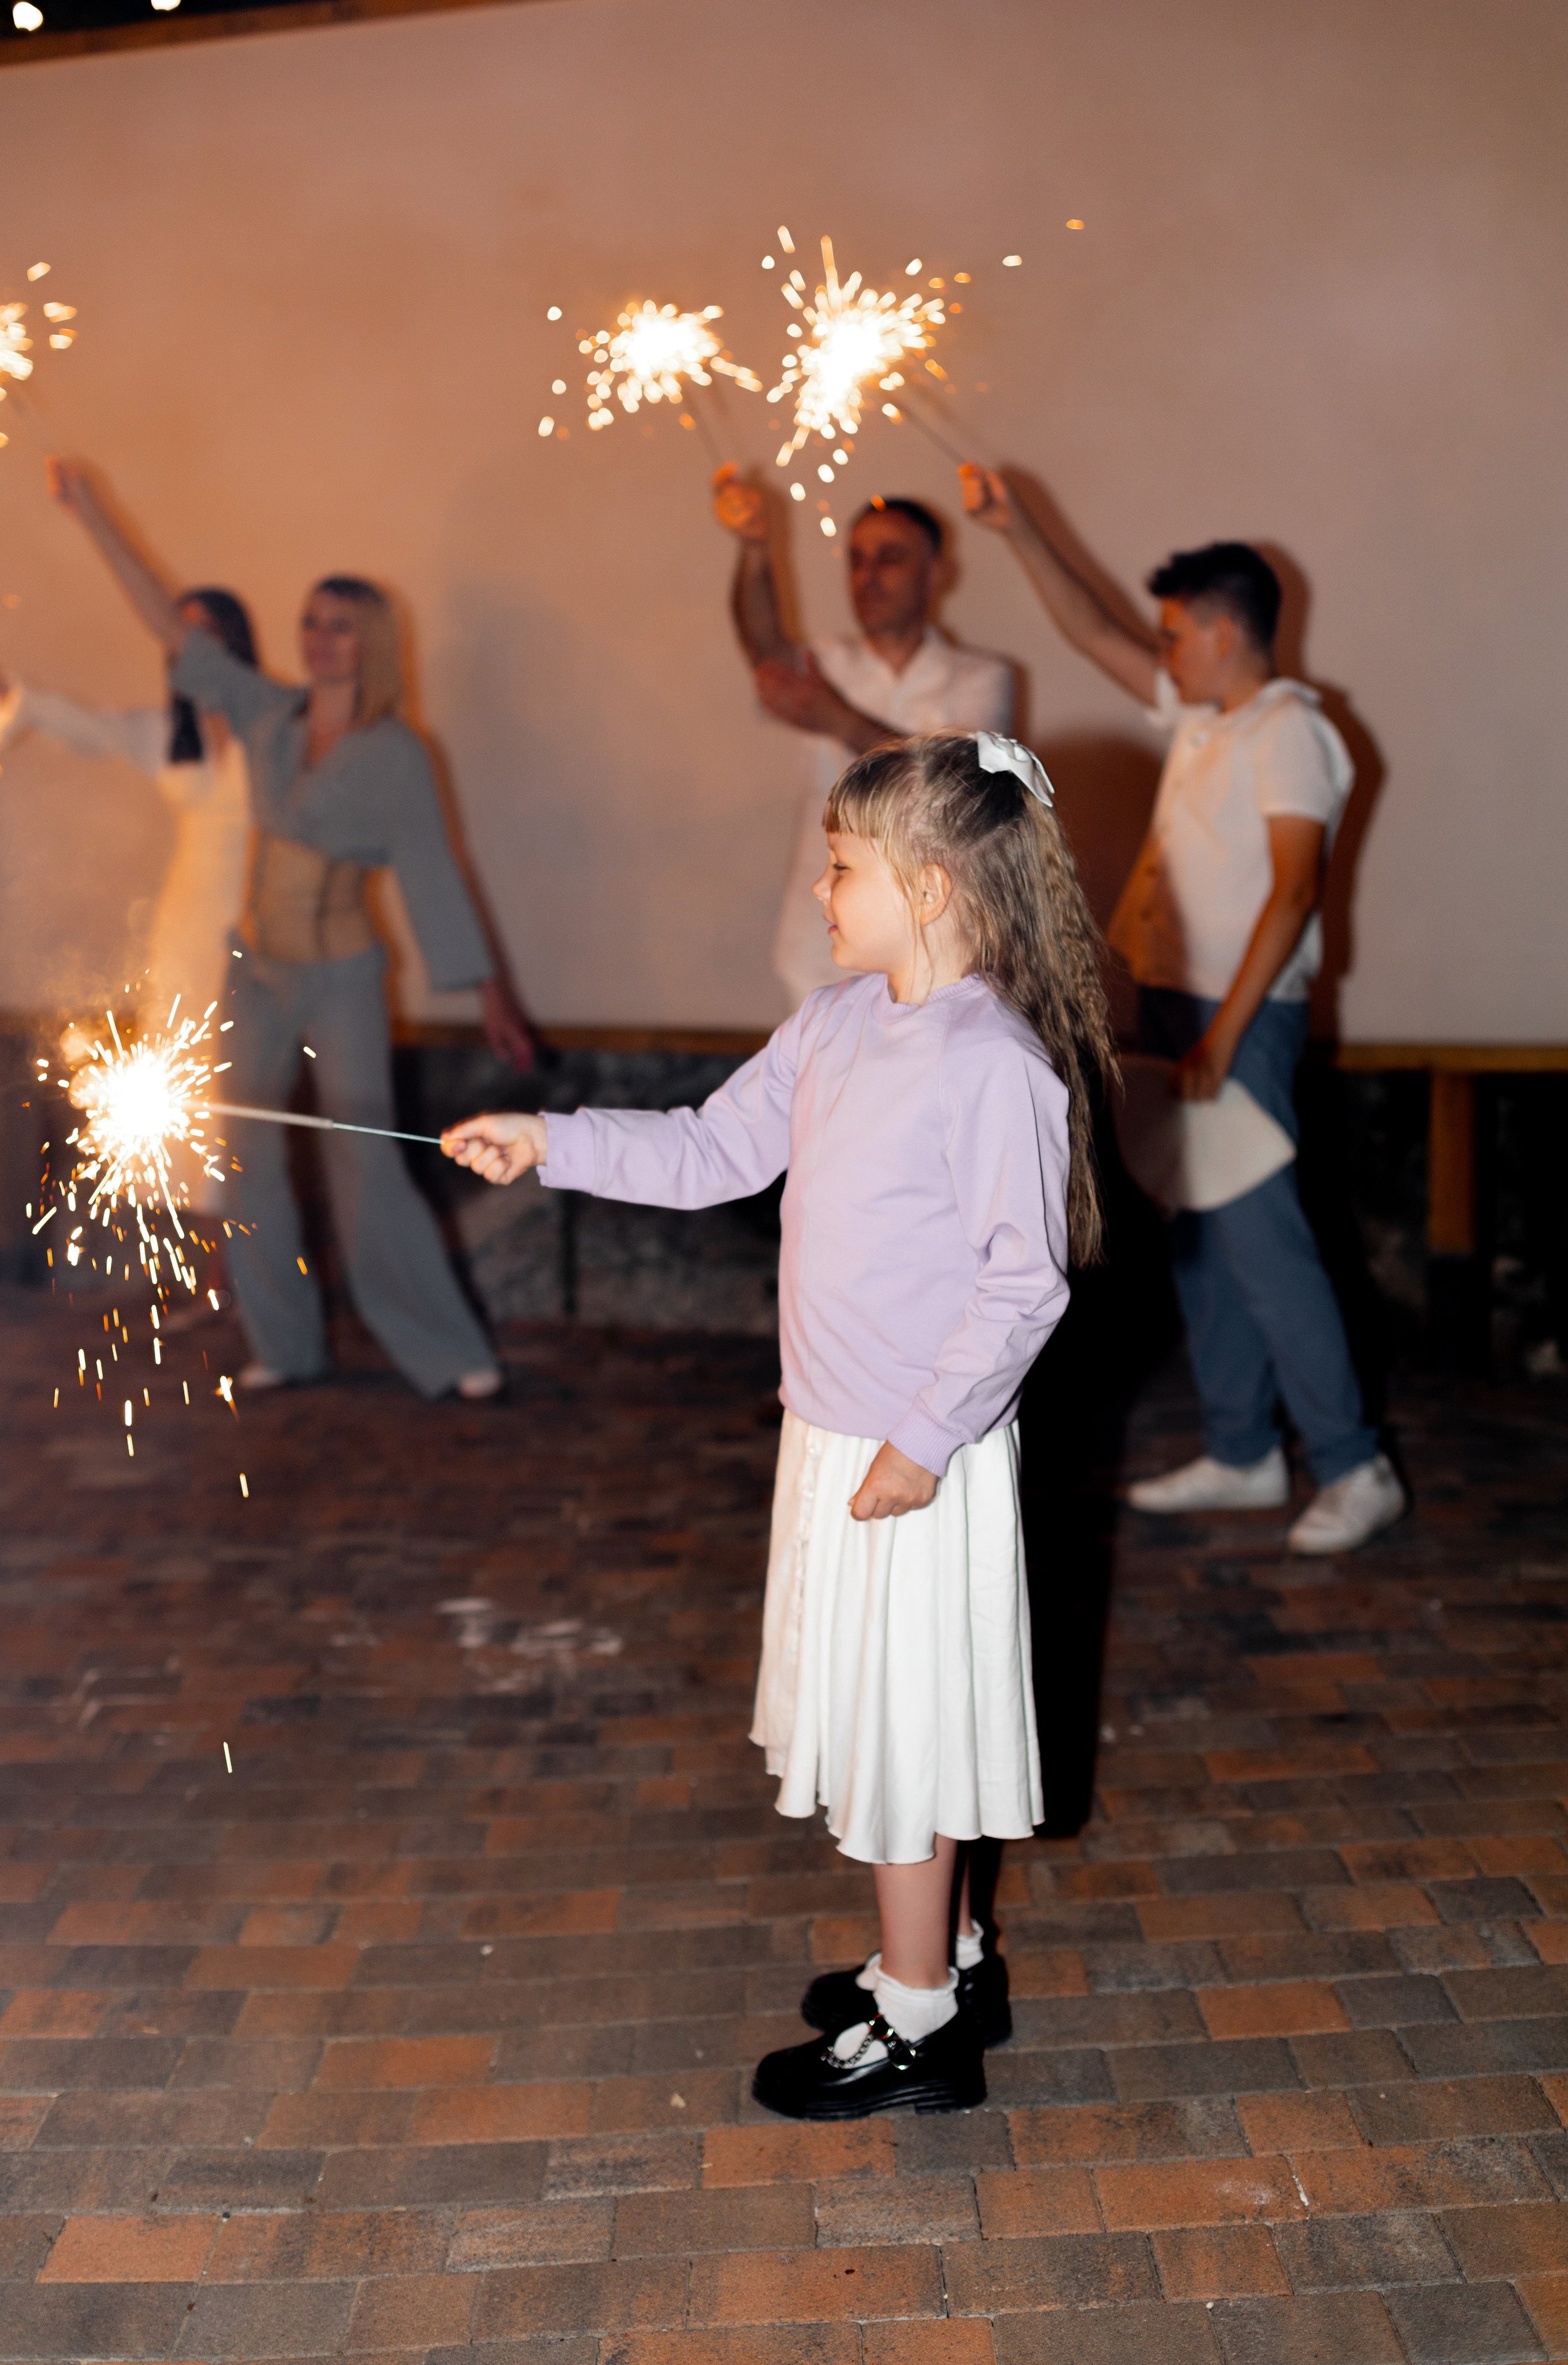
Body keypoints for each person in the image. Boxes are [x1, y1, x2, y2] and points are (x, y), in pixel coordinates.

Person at [443, 729, 1115, 2119]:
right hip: (837, 1440)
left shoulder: (991, 1064)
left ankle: (921, 2020)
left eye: (840, 866)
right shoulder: (832, 1024)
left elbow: (1020, 1281)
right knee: (897, 1719)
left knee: (900, 1744)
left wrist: (919, 1444)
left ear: (928, 887)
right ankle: (953, 1951)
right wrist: (548, 1139)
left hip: (910, 1460)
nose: (818, 891)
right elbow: (706, 1150)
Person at [961, 464, 1404, 1555]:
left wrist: (1219, 1037)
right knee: (1201, 1239)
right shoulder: (1205, 716)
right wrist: (1019, 528)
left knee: (1268, 1248)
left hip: (1236, 1018)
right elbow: (1091, 630)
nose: (1159, 651)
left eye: (1174, 634)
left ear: (1221, 630)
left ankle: (1356, 1466)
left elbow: (1295, 890)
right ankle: (1243, 1451)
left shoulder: (1291, 731)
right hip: (1172, 1002)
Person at [47, 456, 533, 1402]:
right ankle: (285, 1343)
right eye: (310, 622)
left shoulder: (396, 755)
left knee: (368, 1162)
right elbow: (171, 630)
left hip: (343, 974)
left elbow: (435, 875)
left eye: (339, 627)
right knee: (248, 1159)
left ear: (372, 645)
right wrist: (93, 516)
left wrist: (491, 998)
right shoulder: (270, 716)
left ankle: (446, 1351)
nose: (318, 640)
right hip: (254, 971)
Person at [0, 587, 257, 1306]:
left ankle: (259, 1288)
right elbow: (83, 723)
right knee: (191, 1106)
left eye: (203, 638)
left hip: (258, 933)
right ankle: (212, 1284)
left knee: (249, 1105)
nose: (187, 653)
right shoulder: (163, 733)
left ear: (235, 646)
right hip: (186, 932)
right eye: (178, 640)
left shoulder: (271, 728)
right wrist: (9, 691)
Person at [713, 468, 1014, 1007]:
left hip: (938, 938)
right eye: (857, 560)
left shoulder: (982, 676)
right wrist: (755, 550)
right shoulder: (827, 662)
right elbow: (761, 642)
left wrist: (838, 720)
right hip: (821, 940)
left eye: (890, 558)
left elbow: (956, 786)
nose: (868, 575)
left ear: (937, 574)